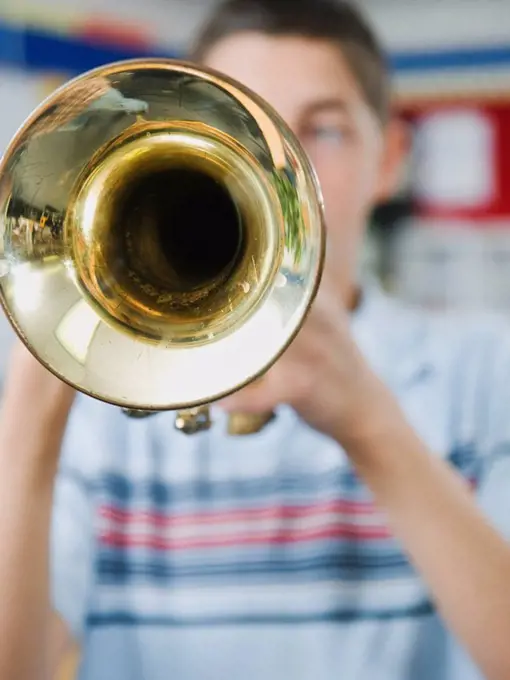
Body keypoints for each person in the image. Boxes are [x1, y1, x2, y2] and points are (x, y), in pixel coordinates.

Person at [1, 1, 510, 679]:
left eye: (321, 131)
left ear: (389, 160)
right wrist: (33, 403)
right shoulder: (102, 412)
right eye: (246, 127)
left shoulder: (483, 368)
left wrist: (372, 429)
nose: (283, 170)